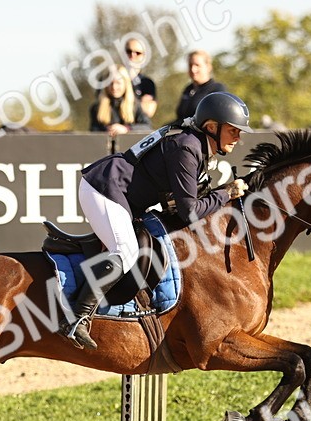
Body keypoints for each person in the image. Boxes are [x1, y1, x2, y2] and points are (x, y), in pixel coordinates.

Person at [63, 92, 250, 349]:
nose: (238, 138)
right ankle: (77, 319)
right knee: (125, 251)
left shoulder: (195, 143)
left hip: (123, 196)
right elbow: (190, 212)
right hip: (104, 188)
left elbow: (178, 206)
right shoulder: (188, 146)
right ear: (211, 127)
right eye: (233, 130)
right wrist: (226, 193)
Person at [89, 66, 150, 136]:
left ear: (125, 84)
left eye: (118, 83)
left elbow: (147, 127)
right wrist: (107, 131)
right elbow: (93, 132)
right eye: (111, 83)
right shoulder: (96, 107)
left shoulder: (135, 105)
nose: (114, 87)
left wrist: (127, 129)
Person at [174, 50, 226, 122]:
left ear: (208, 67)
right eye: (190, 65)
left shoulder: (216, 90)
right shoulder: (188, 89)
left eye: (197, 65)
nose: (193, 69)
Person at [123, 40, 157, 120]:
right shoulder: (112, 80)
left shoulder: (147, 83)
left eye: (137, 53)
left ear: (143, 57)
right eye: (129, 51)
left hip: (138, 129)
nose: (132, 55)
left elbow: (148, 111)